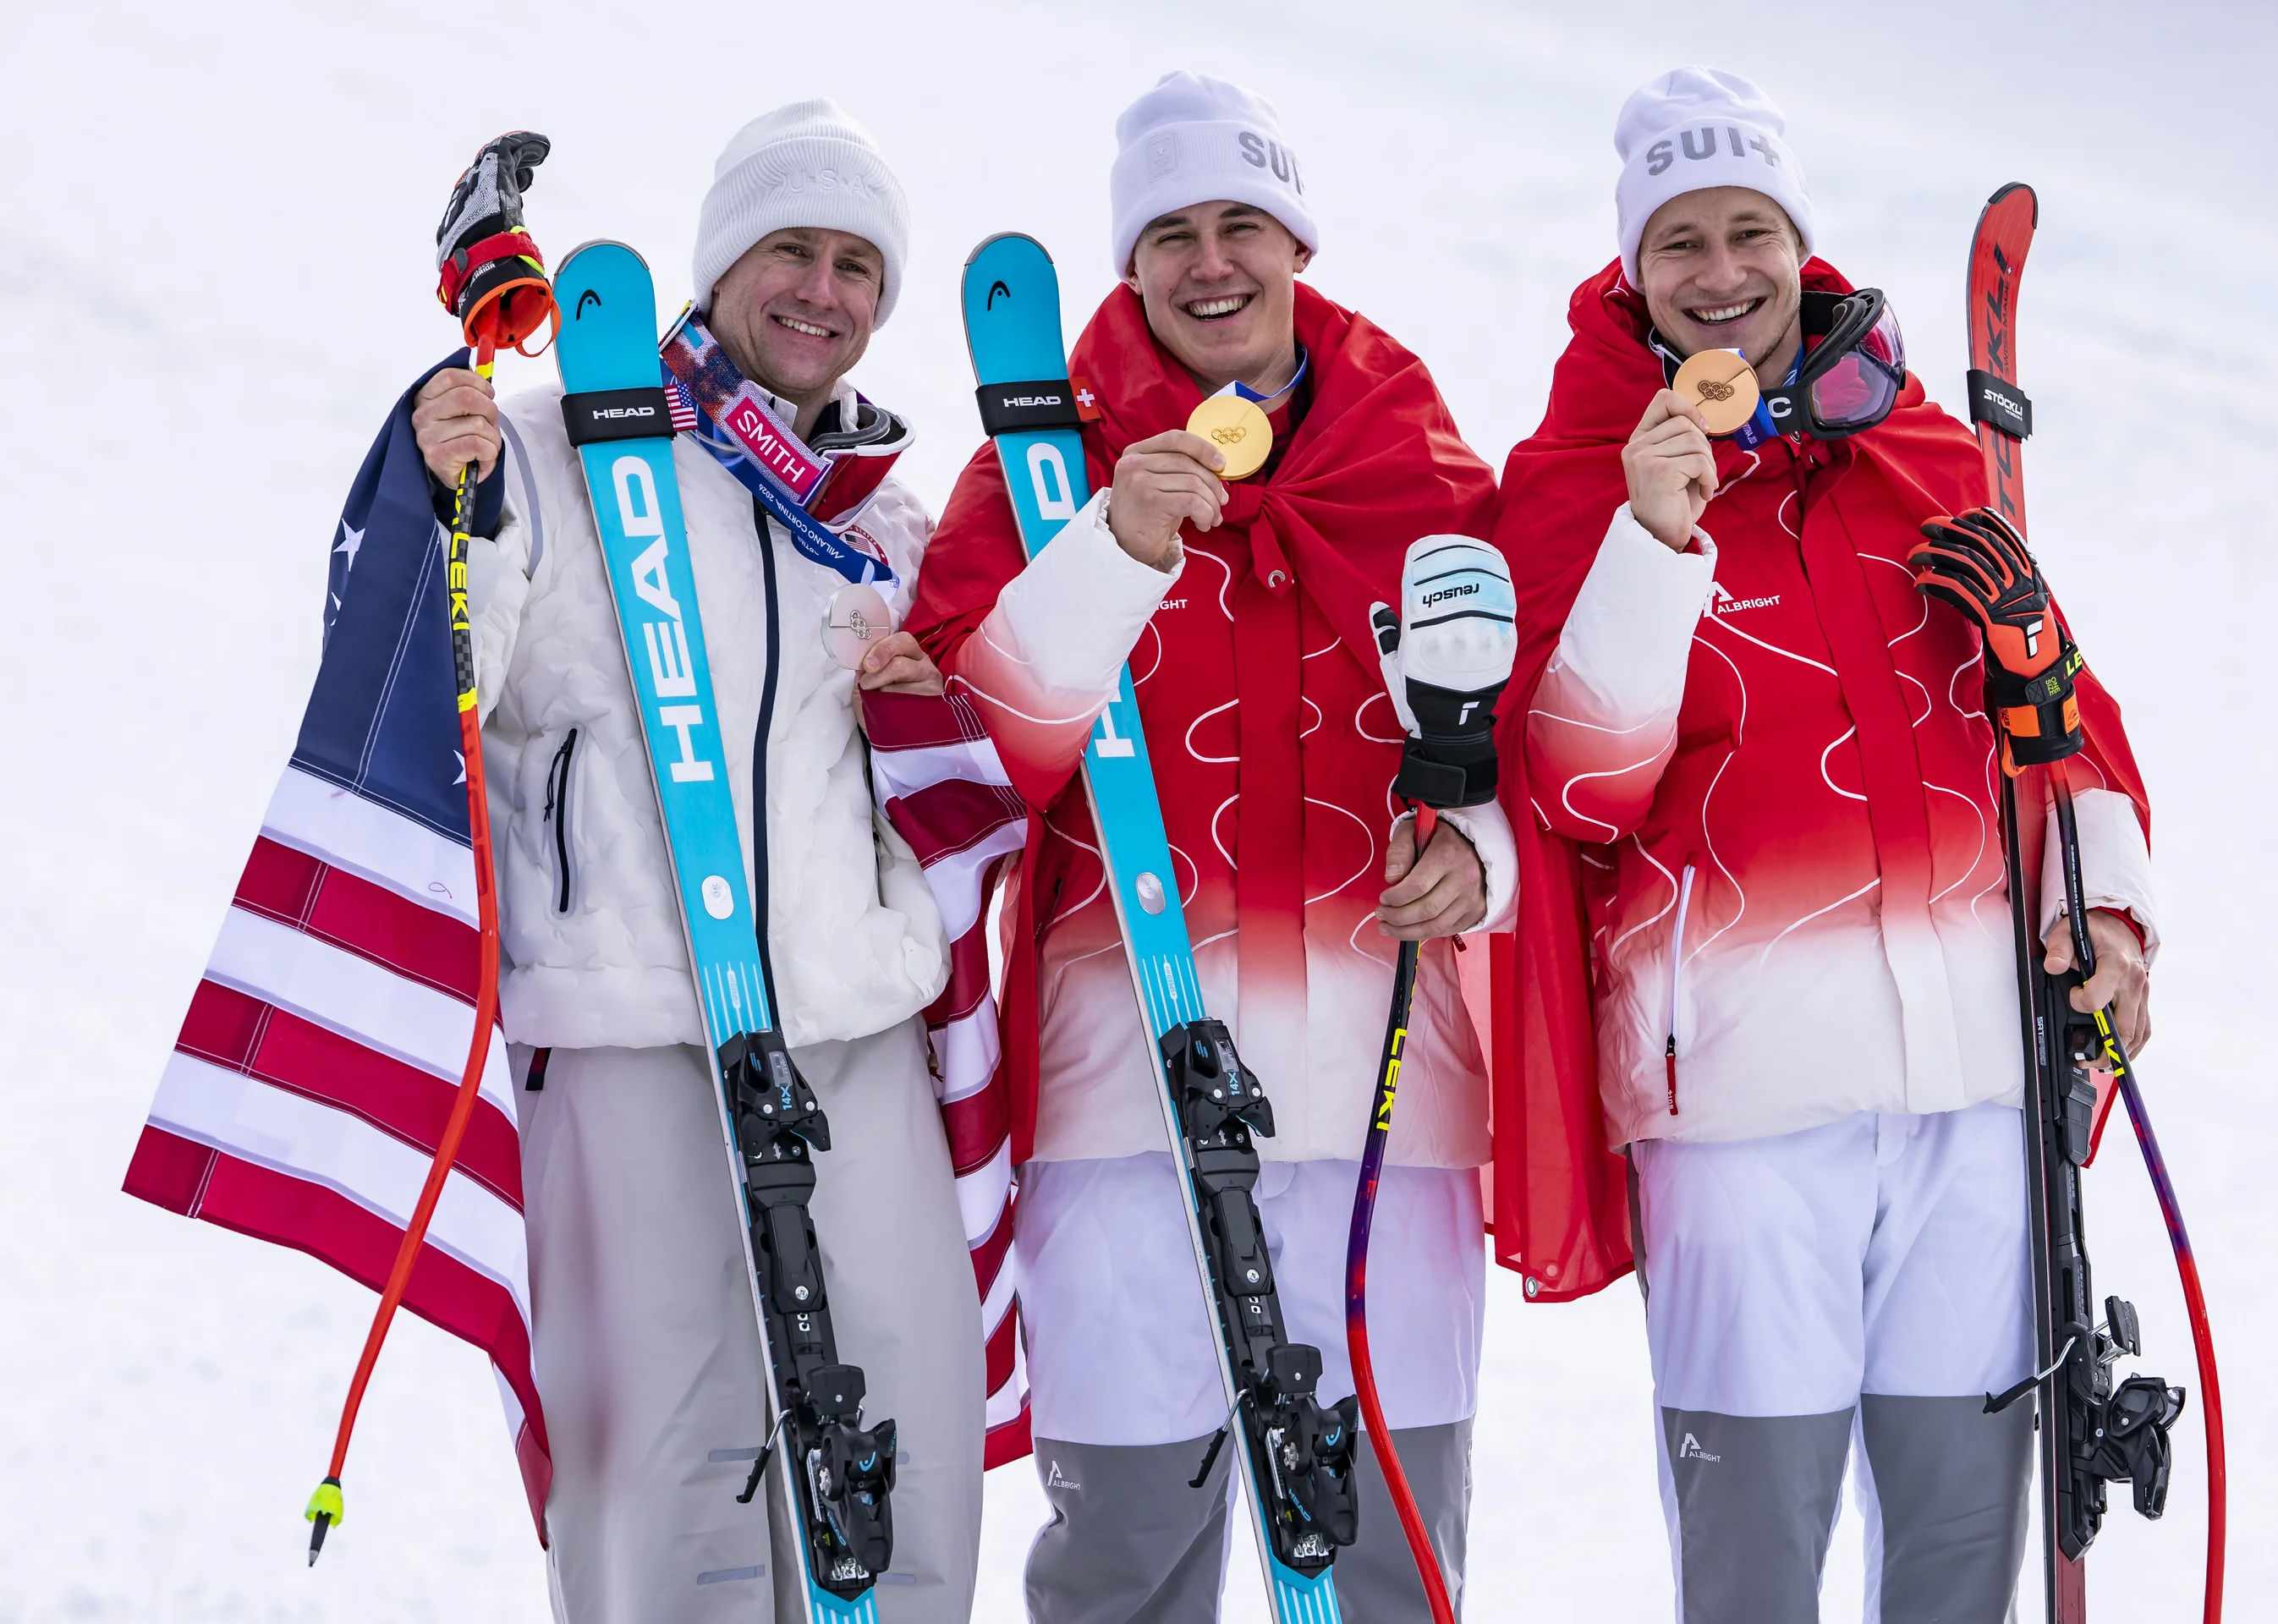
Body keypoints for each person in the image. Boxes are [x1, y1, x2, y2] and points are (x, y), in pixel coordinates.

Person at [1489, 67, 2161, 1622]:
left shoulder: (1923, 454)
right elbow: (1578, 792)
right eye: (1680, 246)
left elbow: (2068, 729)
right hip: (1739, 1105)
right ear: (1632, 277)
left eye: (1751, 234)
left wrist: (2107, 920)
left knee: (1955, 1542)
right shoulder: (1582, 480)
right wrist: (1652, 547)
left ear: (1804, 248)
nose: (1722, 278)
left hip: (1975, 1095)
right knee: (1758, 1550)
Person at [908, 70, 1510, 1624]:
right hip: (1120, 1100)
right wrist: (1110, 549)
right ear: (1132, 269)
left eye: (1243, 221)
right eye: (1169, 233)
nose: (1210, 261)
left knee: (1388, 1559)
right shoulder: (1042, 459)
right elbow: (972, 754)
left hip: (1388, 1100)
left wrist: (1484, 853)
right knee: (1124, 1563)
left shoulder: (1416, 465)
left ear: (1298, 246)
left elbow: (1531, 744)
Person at [410, 101, 983, 1624]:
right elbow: (445, 673)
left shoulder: (883, 525)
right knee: (666, 1481)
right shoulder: (548, 449)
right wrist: (443, 486)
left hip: (851, 1026)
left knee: (908, 1451)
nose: (822, 289)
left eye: (858, 263)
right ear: (723, 262)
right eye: (790, 248)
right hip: (626, 1027)